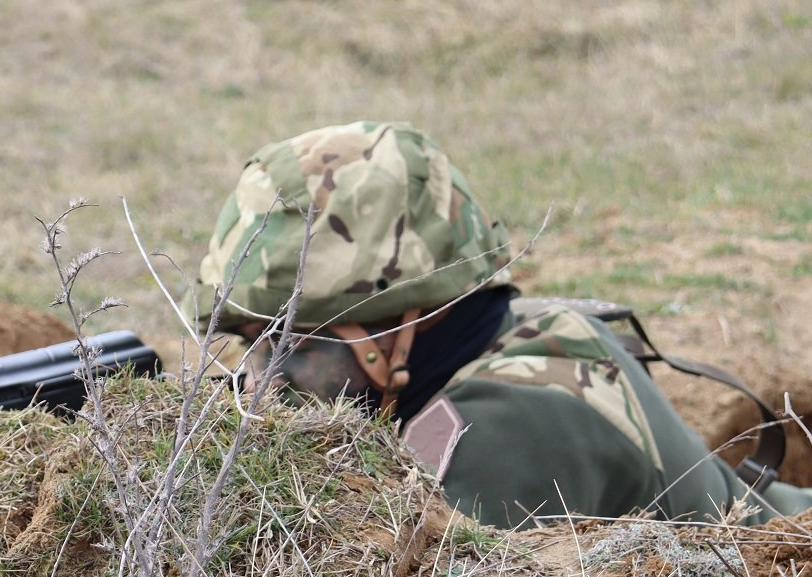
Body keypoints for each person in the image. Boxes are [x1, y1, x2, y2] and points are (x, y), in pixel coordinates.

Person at [195, 120, 812, 529]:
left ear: (397, 327)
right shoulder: (502, 337)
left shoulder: (500, 430)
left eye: (287, 346)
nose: (260, 384)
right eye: (253, 347)